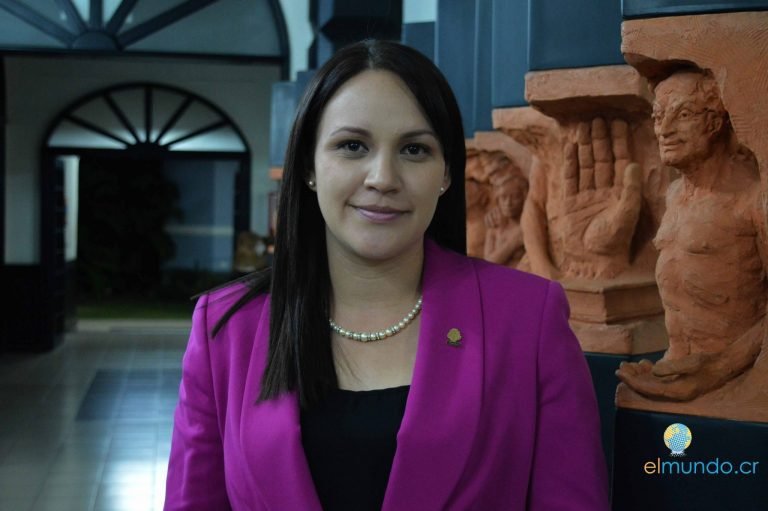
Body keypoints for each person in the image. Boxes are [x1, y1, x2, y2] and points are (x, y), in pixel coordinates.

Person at [164, 40, 609, 510]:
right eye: (352, 146)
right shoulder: (226, 329)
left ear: (446, 174)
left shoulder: (527, 320)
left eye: (414, 149)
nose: (382, 177)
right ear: (309, 167)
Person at [617, 69, 767, 401]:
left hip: (736, 376)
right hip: (675, 368)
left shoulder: (753, 198)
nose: (664, 130)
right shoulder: (672, 196)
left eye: (683, 115)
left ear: (715, 123)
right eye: (658, 117)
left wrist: (716, 368)